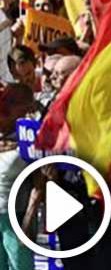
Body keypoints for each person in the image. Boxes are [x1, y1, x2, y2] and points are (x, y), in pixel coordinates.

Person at [0, 84, 38, 269]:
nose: (5, 106)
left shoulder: (30, 138)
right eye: (5, 100)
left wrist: (29, 219)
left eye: (12, 101)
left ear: (28, 107)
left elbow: (40, 182)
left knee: (20, 265)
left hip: (16, 214)